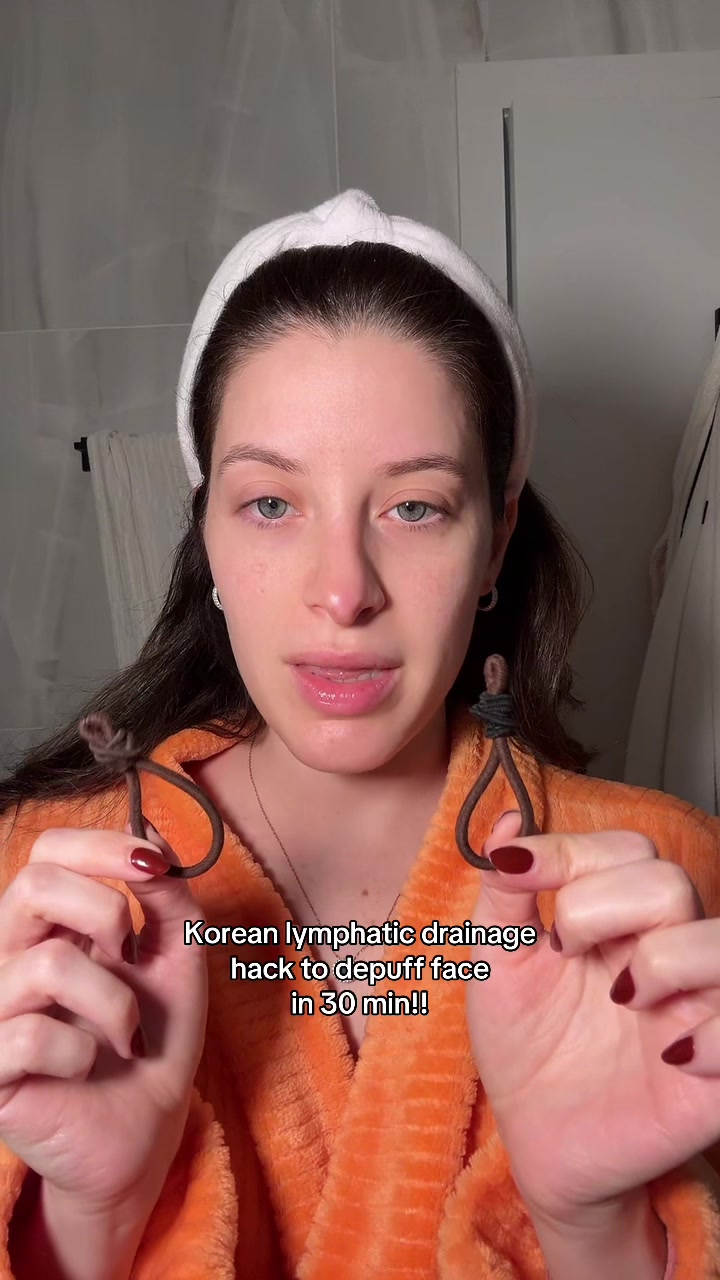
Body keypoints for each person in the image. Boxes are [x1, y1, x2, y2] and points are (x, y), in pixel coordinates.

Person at [0, 188, 718, 1280]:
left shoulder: (669, 877)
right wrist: (88, 1219)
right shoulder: (29, 889)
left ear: (496, 540)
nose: (343, 592)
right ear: (208, 535)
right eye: (271, 504)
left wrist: (595, 1224)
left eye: (414, 506)